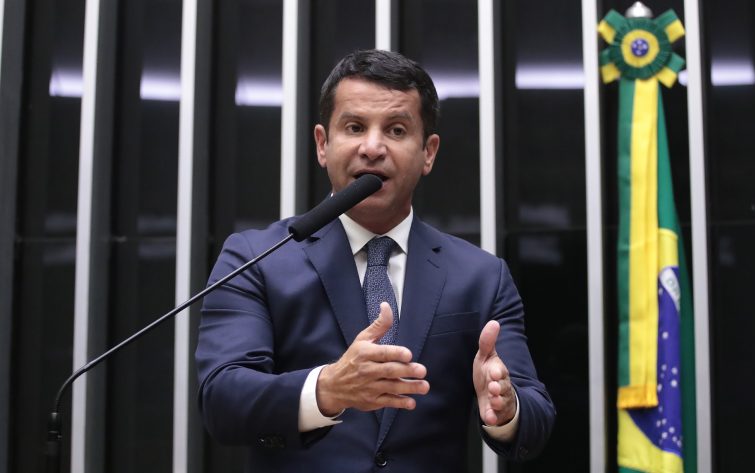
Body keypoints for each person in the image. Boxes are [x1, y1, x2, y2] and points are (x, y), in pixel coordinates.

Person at [196, 49, 555, 472]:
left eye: (396, 130)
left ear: (428, 153)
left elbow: (536, 418)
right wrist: (327, 390)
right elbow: (222, 399)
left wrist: (506, 409)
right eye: (354, 127)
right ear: (322, 144)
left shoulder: (481, 275)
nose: (372, 147)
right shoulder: (255, 259)